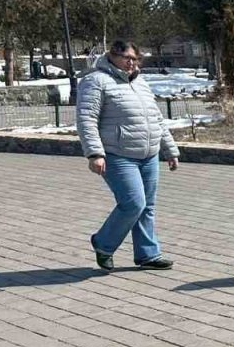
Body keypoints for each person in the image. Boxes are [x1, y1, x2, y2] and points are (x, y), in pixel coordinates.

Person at [76, 40, 179, 272]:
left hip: (149, 154)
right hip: (117, 155)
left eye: (135, 58)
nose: (131, 63)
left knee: (147, 206)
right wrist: (94, 153)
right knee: (133, 204)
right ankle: (103, 243)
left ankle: (148, 254)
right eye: (126, 58)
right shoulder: (95, 81)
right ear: (112, 56)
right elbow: (86, 119)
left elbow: (156, 118)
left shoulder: (140, 82)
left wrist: (170, 150)